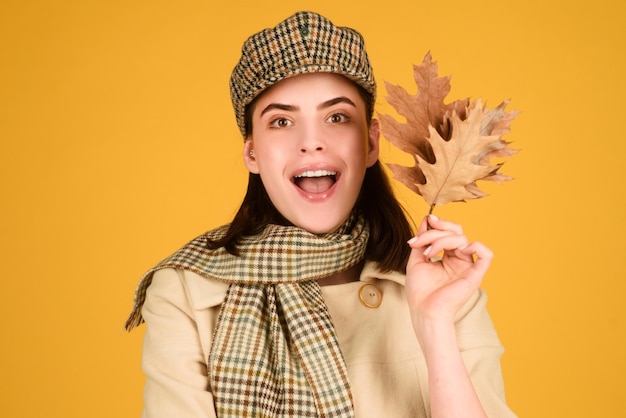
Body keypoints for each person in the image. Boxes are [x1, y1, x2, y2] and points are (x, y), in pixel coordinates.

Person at [126, 10, 516, 418]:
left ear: (370, 143)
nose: (311, 142)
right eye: (281, 121)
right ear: (252, 152)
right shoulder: (186, 292)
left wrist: (433, 322)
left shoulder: (444, 290)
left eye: (336, 117)